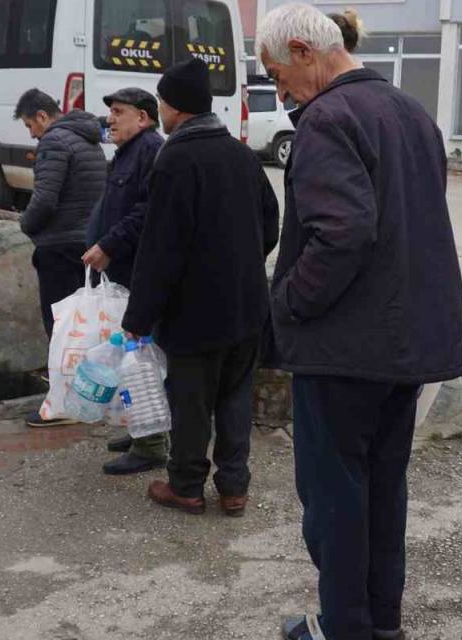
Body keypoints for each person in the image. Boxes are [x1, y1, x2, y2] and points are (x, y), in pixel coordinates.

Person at [257, 5, 462, 640]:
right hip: (404, 344)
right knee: (383, 493)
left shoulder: (327, 118)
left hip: (345, 348)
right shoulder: (411, 111)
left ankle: (346, 628)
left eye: (277, 75)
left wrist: (289, 301)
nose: (281, 92)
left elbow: (343, 234)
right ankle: (382, 623)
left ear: (303, 50)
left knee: (335, 500)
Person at [121, 58, 279, 517]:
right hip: (247, 306)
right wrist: (242, 265)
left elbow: (160, 247)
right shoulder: (240, 154)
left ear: (176, 108)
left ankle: (186, 486)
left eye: (163, 103)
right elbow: (270, 222)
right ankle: (234, 489)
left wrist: (139, 316)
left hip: (195, 315)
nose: (161, 110)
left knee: (191, 403)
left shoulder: (175, 159)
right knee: (234, 400)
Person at [80, 87, 168, 475]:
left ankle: (151, 445)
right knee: (130, 355)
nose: (109, 119)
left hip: (139, 272)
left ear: (143, 117)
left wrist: (109, 244)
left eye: (118, 112)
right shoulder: (128, 152)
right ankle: (141, 431)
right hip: (124, 272)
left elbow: (147, 211)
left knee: (140, 360)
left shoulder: (150, 150)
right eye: (109, 112)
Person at [13, 88, 107, 428]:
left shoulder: (54, 142)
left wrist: (25, 224)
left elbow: (45, 200)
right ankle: (86, 399)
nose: (32, 134)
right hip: (86, 245)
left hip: (59, 246)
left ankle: (63, 404)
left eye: (29, 125)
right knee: (83, 330)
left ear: (41, 115)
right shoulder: (90, 139)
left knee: (61, 331)